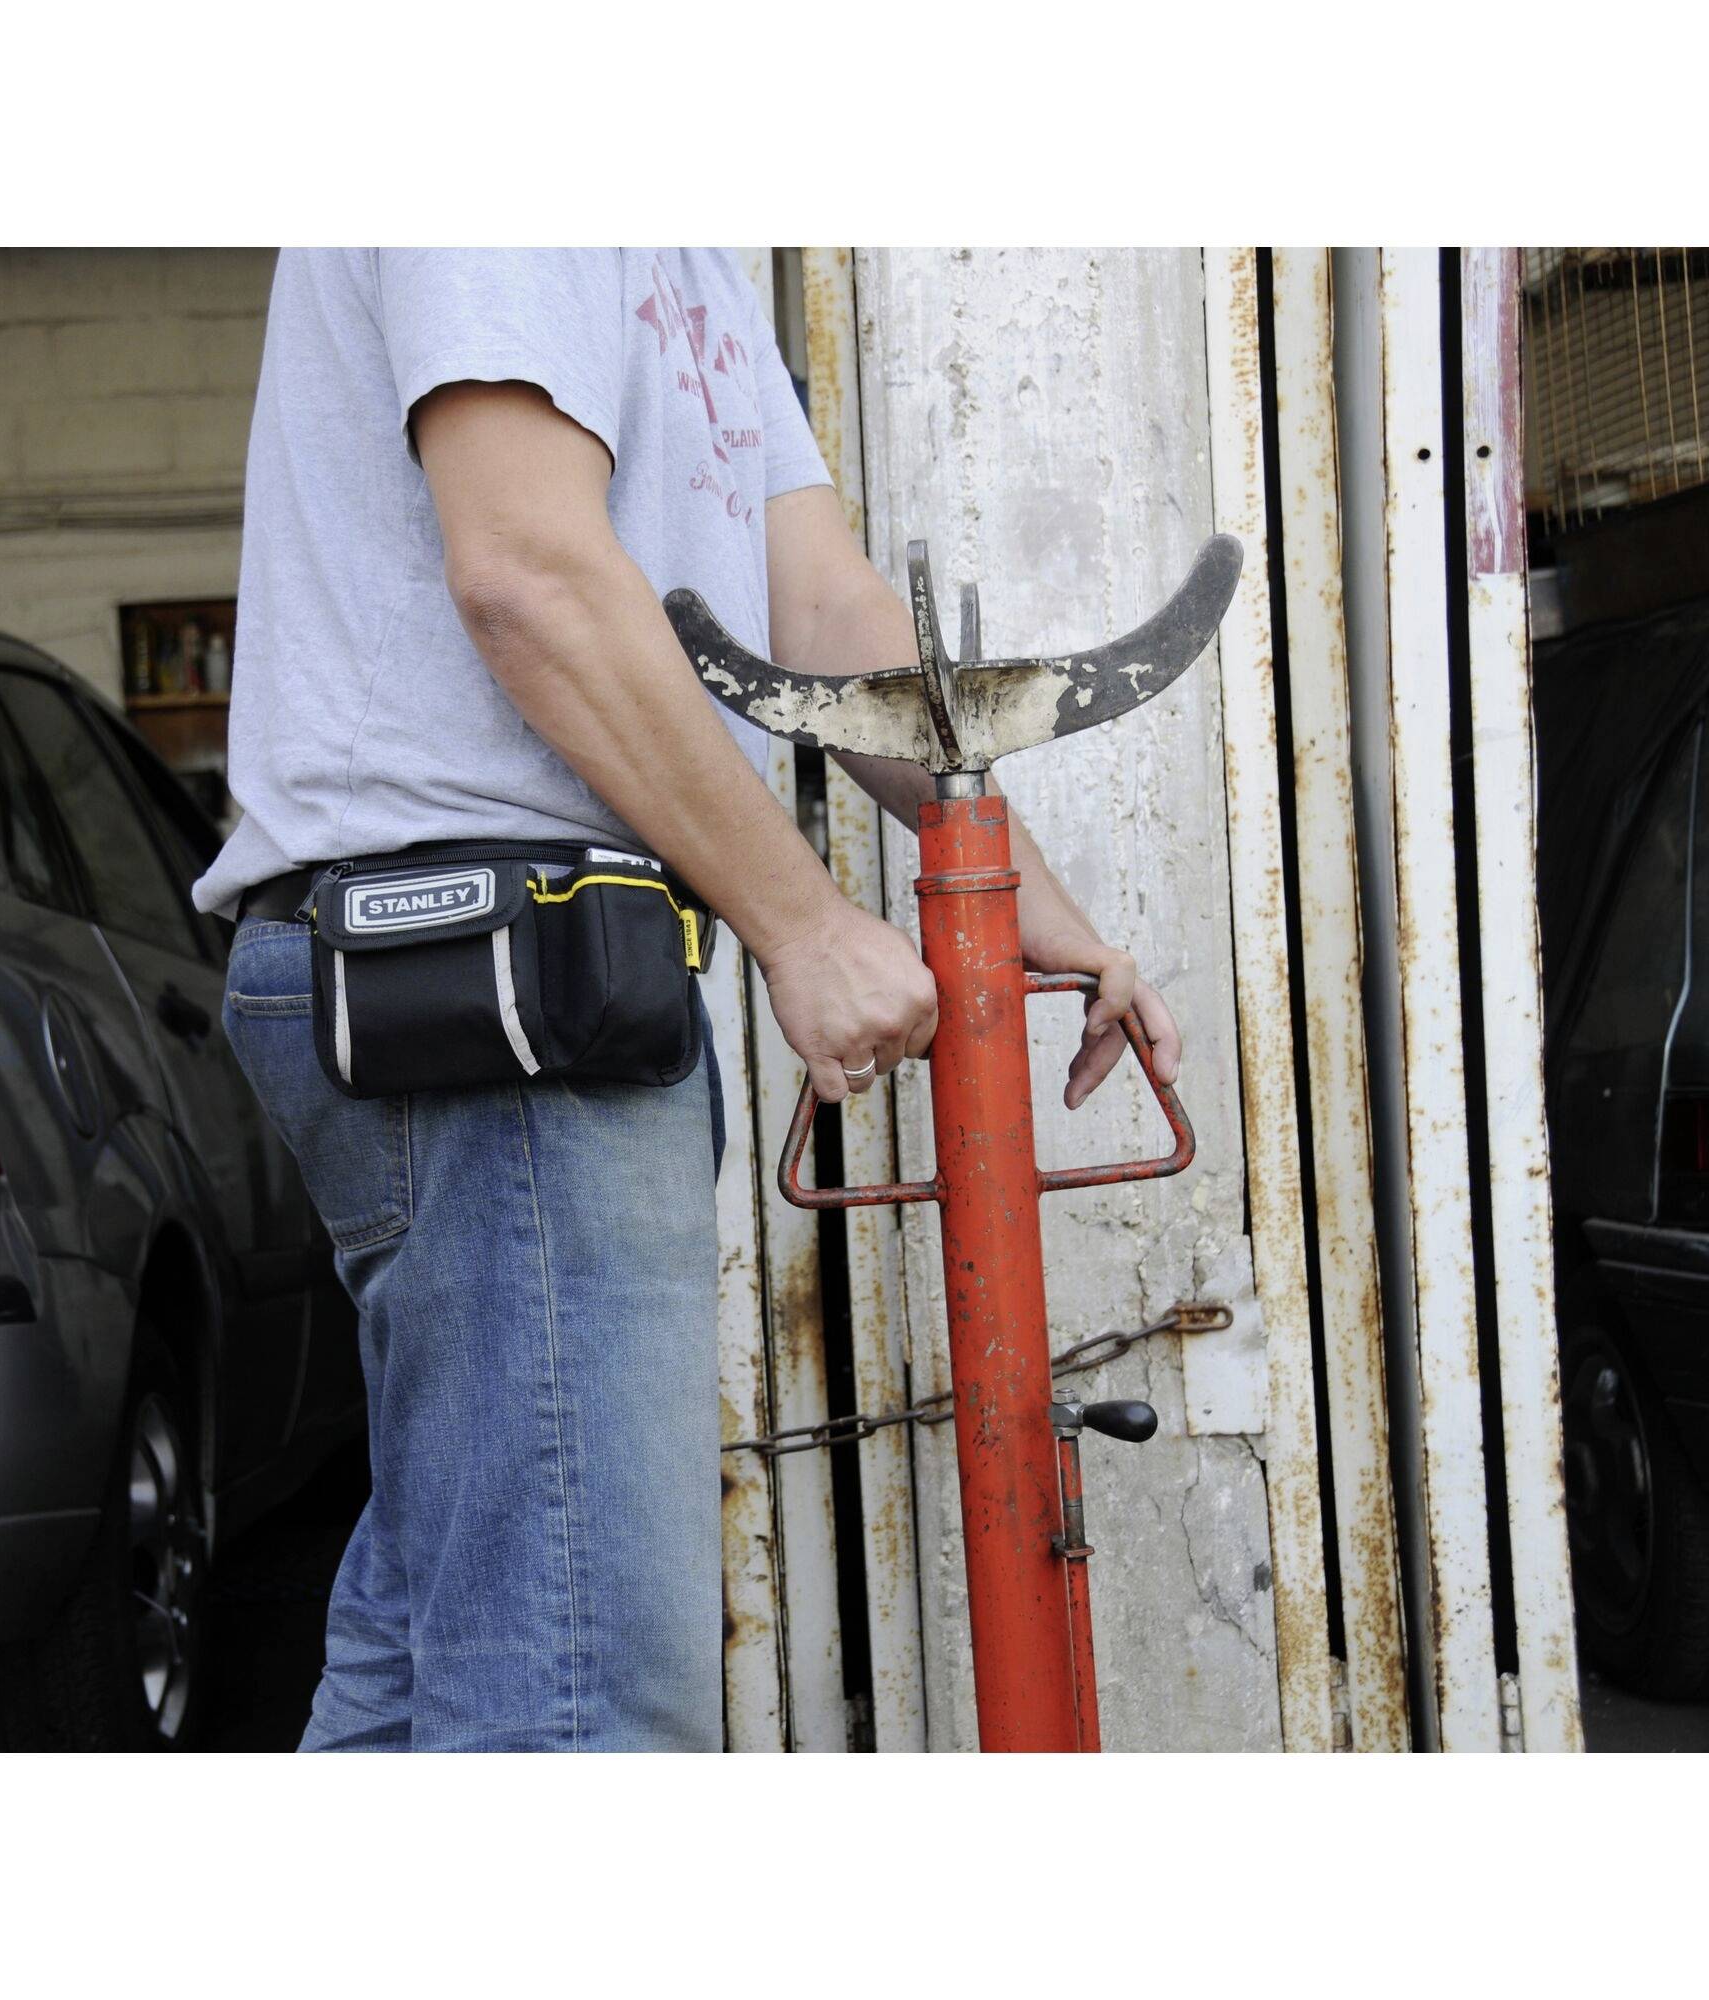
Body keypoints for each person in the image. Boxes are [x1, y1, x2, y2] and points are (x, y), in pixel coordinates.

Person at [195, 249, 1182, 1751]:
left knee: (435, 1664)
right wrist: (803, 923)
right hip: (488, 990)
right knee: (571, 1707)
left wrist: (1027, 905)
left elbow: (820, 604)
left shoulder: (690, 245)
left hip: (538, 994)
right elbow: (524, 570)